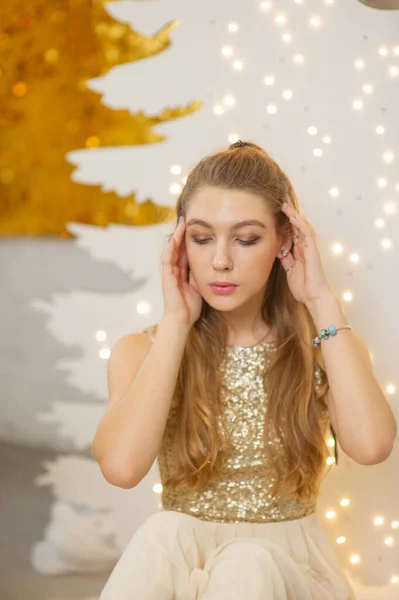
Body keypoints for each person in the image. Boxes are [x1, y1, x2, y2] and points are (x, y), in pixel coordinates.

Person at [93, 141, 361, 599]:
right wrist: (177, 322)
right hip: (189, 567)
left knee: (246, 563)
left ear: (284, 242)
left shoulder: (321, 347)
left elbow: (372, 445)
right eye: (201, 238)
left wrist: (321, 301)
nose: (220, 259)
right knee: (165, 531)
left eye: (246, 238)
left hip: (291, 576)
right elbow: (121, 468)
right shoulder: (142, 350)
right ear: (179, 244)